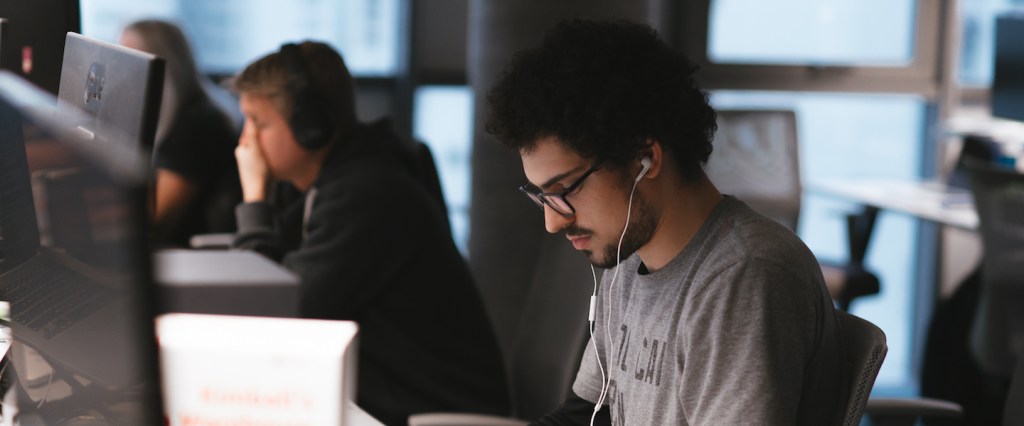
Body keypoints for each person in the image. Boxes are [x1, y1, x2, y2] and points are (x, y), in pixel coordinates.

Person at [485, 19, 844, 425]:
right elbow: (585, 417)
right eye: (542, 196)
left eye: (566, 189)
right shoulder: (625, 260)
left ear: (646, 160)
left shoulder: (744, 278)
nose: (552, 221)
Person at [229, 41, 509, 425]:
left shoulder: (366, 195)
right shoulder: (334, 183)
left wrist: (255, 200)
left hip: (431, 411)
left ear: (311, 128)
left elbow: (277, 317)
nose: (246, 141)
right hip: (388, 400)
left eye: (259, 123)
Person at [118, 19, 241, 247]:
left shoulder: (196, 124)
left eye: (133, 61)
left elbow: (156, 220)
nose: (124, 74)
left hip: (191, 251)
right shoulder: (180, 112)